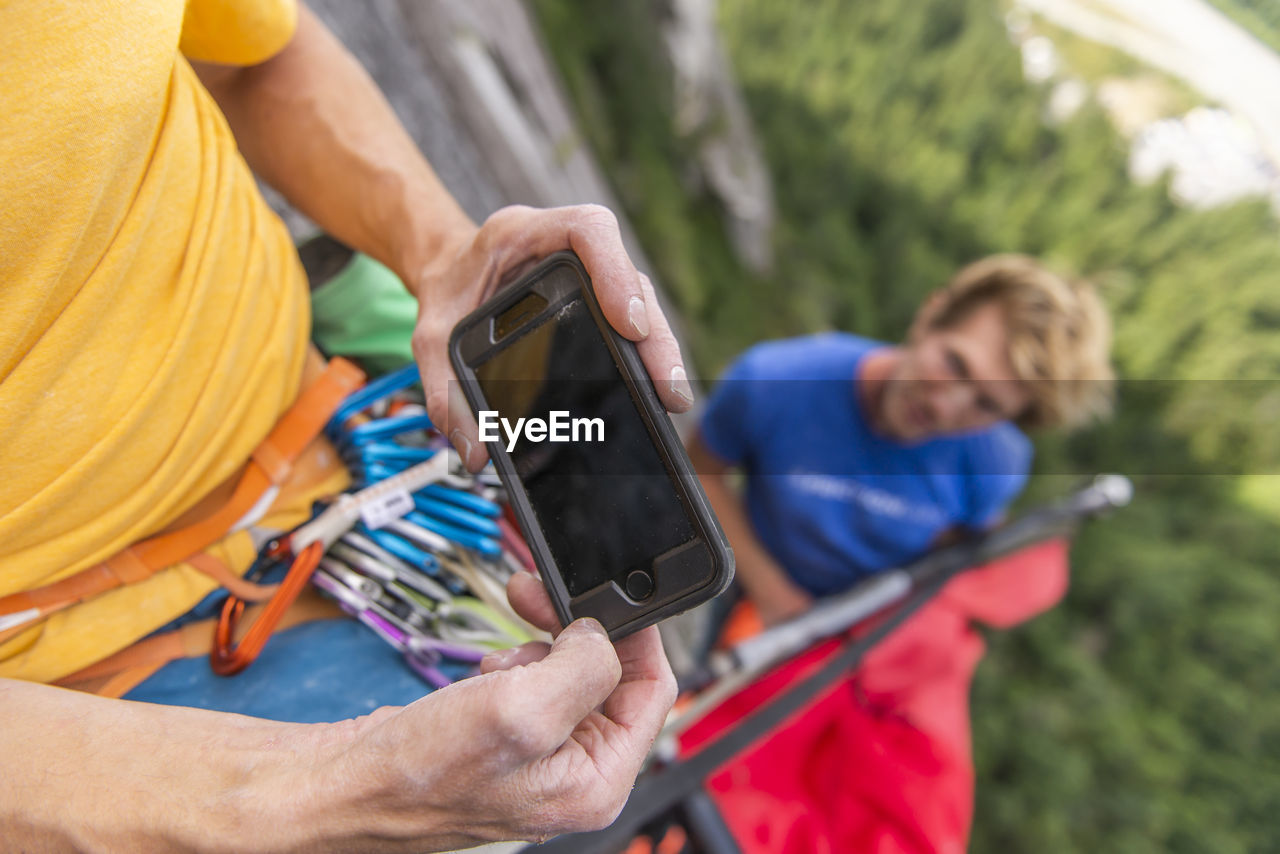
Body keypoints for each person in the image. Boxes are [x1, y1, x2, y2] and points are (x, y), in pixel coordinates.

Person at [1, 1, 693, 849]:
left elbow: (255, 59)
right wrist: (338, 794)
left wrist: (441, 251)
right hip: (74, 685)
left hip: (340, 440)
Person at [688, 254, 1114, 627]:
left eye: (987, 404)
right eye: (956, 363)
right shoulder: (774, 379)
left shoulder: (996, 464)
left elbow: (953, 550)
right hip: (745, 582)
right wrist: (772, 594)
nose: (945, 408)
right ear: (930, 317)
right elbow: (702, 473)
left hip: (856, 632)